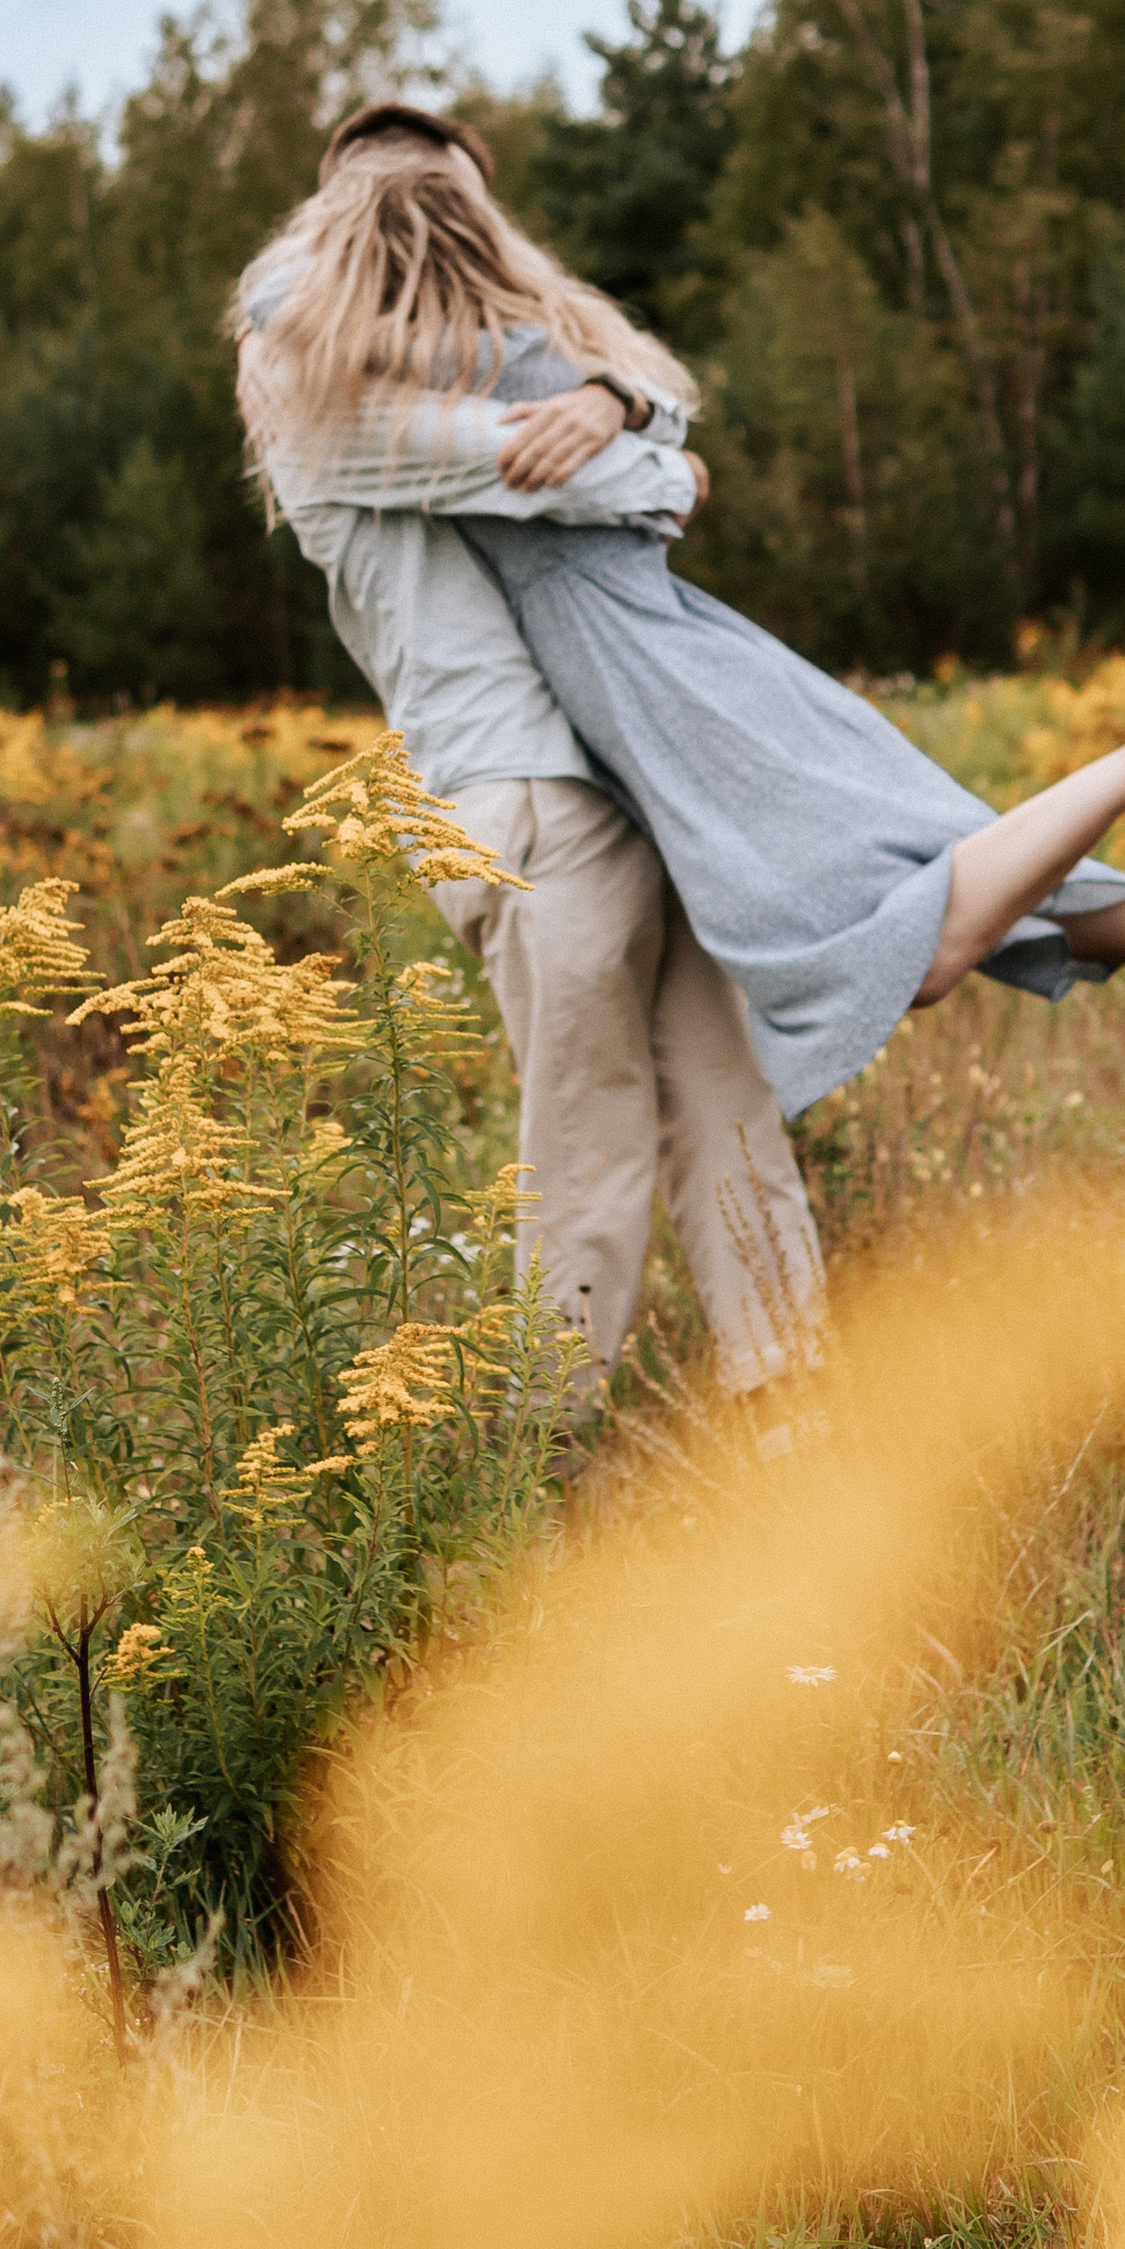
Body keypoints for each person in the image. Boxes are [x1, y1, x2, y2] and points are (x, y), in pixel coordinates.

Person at [236, 112, 1125, 1139]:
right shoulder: (474, 345)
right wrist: (635, 414)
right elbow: (659, 432)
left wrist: (630, 422)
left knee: (913, 947)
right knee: (977, 862)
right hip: (687, 653)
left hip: (652, 681)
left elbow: (642, 455)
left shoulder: (447, 360)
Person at [232, 106, 821, 1408]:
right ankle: (543, 1449)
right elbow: (592, 477)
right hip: (523, 795)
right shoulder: (314, 397)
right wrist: (652, 455)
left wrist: (619, 398)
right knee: (588, 1134)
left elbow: (637, 395)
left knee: (723, 1106)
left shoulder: (466, 369)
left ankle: (793, 1414)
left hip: (620, 781)